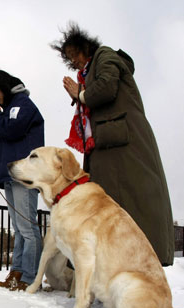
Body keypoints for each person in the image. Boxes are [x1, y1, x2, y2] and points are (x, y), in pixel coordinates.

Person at [52, 22, 174, 266]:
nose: (72, 61)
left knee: (131, 206)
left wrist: (81, 94)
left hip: (122, 146)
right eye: (68, 58)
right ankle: (110, 268)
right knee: (107, 210)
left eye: (73, 54)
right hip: (109, 146)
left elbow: (106, 87)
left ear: (84, 47)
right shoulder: (89, 71)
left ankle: (136, 267)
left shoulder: (106, 55)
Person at [0, 70, 45, 291]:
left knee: (27, 227)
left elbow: (12, 129)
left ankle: (30, 278)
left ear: (3, 85)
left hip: (24, 175)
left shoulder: (22, 104)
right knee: (19, 228)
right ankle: (17, 274)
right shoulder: (11, 108)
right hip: (11, 174)